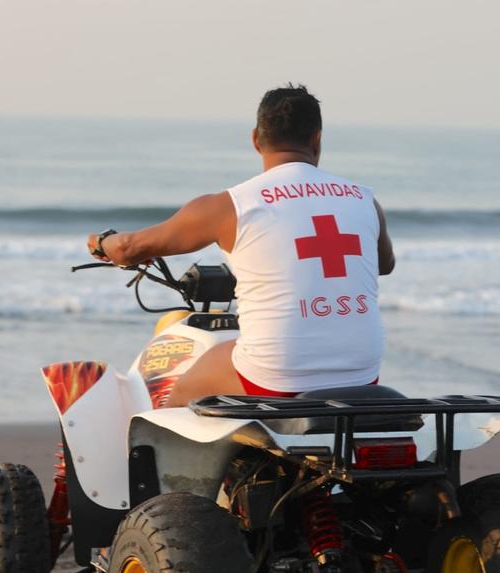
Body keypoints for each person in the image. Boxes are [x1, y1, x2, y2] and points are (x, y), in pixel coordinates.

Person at [86, 84, 395, 407]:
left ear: (256, 140)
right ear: (316, 140)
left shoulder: (233, 205)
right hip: (361, 372)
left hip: (276, 374)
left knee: (179, 394)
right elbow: (384, 264)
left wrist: (101, 242)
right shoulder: (364, 199)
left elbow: (129, 248)